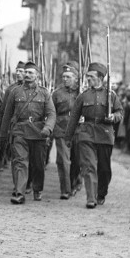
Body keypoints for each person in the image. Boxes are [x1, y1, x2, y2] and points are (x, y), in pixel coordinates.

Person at [65, 62, 123, 209]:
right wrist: (68, 137)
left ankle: (101, 193)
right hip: (87, 134)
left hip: (104, 134)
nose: (88, 79)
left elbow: (120, 113)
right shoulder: (83, 96)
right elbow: (74, 118)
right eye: (87, 76)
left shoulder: (111, 95)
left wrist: (113, 117)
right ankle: (91, 198)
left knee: (104, 169)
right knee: (88, 166)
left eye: (91, 76)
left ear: (100, 78)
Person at [0, 61, 56, 204]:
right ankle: (19, 192)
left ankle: (37, 189)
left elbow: (51, 114)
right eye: (26, 72)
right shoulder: (15, 92)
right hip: (20, 131)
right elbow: (7, 114)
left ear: (37, 75)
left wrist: (47, 128)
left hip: (38, 132)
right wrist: (3, 134)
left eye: (31, 73)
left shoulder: (44, 93)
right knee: (20, 162)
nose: (27, 75)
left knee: (38, 164)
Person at [52, 63, 80, 199]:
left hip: (79, 130)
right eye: (63, 77)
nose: (65, 79)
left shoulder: (82, 93)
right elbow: (52, 112)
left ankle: (76, 182)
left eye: (68, 77)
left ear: (76, 78)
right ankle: (65, 189)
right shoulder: (57, 93)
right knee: (63, 160)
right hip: (62, 129)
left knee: (77, 160)